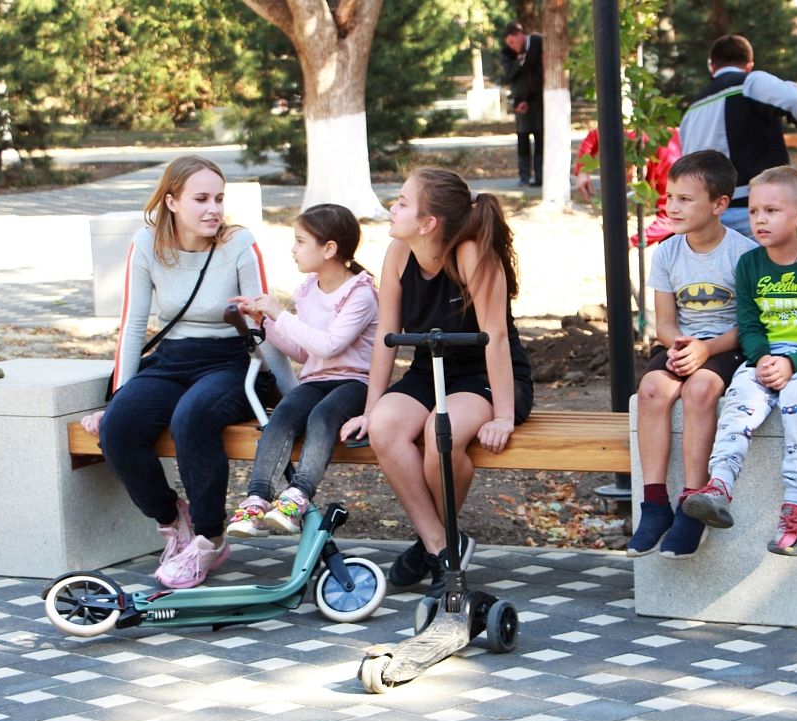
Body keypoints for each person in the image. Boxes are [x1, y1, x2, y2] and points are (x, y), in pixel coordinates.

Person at [80, 155, 297, 590]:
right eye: (200, 199)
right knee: (119, 428)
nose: (213, 208)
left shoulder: (239, 244)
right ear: (172, 201)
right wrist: (115, 400)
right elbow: (133, 325)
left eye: (218, 198)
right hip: (172, 360)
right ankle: (171, 519)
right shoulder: (146, 244)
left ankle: (208, 538)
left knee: (192, 417)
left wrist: (295, 398)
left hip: (232, 361)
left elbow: (263, 325)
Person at [340, 168, 534, 597]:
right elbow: (386, 339)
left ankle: (435, 547)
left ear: (428, 224)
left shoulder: (471, 255)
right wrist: (372, 408)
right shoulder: (397, 253)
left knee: (438, 435)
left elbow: (496, 339)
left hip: (486, 375)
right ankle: (441, 544)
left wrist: (503, 415)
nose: (393, 206)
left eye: (404, 202)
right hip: (431, 371)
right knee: (386, 428)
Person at [681, 166, 797, 557]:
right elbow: (749, 325)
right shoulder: (751, 265)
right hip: (767, 357)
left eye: (771, 211)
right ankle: (718, 485)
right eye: (754, 211)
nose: (759, 220)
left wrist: (794, 362)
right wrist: (762, 358)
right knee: (741, 399)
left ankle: (796, 507)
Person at [626, 150, 758, 559]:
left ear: (719, 204)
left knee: (700, 391)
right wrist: (678, 343)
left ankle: (692, 504)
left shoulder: (744, 254)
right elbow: (663, 320)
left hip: (724, 348)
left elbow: (748, 326)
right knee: (651, 390)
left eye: (686, 199)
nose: (673, 206)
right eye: (670, 196)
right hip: (681, 344)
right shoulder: (667, 252)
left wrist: (706, 350)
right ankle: (654, 505)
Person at [225, 204, 378, 536]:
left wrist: (280, 314)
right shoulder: (309, 289)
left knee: (321, 416)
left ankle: (298, 495)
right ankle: (256, 498)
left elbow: (329, 345)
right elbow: (303, 349)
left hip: (356, 382)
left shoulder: (360, 294)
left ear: (329, 248)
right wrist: (264, 321)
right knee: (282, 416)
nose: (293, 250)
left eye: (300, 241)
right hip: (318, 379)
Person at [680, 34, 797, 239]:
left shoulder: (692, 112)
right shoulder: (750, 83)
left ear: (712, 66)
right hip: (757, 211)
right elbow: (793, 99)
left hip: (710, 217)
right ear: (749, 65)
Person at [574, 126, 682, 247]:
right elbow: (595, 135)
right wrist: (582, 171)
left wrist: (632, 242)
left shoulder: (671, 167)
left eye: (626, 171)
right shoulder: (631, 141)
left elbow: (671, 219)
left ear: (643, 161)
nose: (626, 181)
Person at [502, 21, 544, 187]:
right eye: (509, 44)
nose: (512, 46)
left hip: (538, 101)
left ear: (519, 34)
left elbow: (539, 71)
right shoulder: (508, 54)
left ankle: (540, 175)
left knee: (540, 137)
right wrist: (519, 61)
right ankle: (524, 175)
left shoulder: (536, 42)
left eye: (513, 42)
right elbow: (510, 74)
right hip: (520, 101)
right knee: (523, 137)